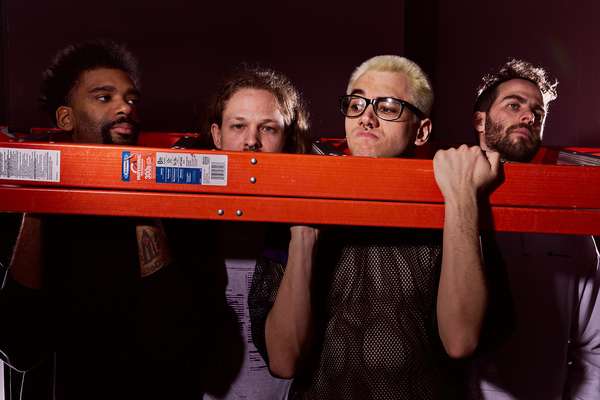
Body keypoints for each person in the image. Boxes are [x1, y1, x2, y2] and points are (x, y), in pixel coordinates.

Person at [249, 55, 500, 399]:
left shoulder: (457, 198)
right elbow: (283, 360)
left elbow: (461, 341)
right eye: (357, 105)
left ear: (422, 131)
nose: (366, 117)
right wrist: (304, 229)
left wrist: (462, 200)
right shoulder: (305, 192)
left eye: (388, 107)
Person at [1, 40, 199, 399]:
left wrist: (141, 189)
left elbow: (172, 341)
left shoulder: (165, 211)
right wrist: (39, 193)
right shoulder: (27, 217)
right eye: (104, 97)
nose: (126, 107)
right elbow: (19, 348)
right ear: (66, 118)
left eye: (131, 99)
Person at [468, 59, 600, 399]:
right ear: (480, 121)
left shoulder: (569, 220)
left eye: (537, 113)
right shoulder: (449, 205)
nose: (529, 116)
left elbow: (594, 347)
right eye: (514, 105)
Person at [192, 65, 310, 400]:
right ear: (217, 136)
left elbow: (290, 358)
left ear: (287, 138)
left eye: (268, 128)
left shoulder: (301, 226)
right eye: (238, 126)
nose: (251, 142)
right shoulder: (188, 223)